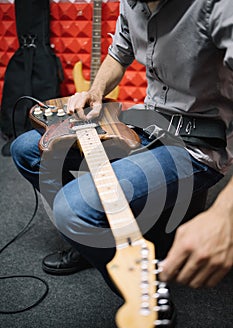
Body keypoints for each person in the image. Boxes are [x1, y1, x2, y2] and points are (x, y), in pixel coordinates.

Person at [10, 0, 233, 292]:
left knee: (73, 209)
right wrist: (96, 91)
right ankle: (92, 240)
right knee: (26, 149)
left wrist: (224, 214)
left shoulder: (218, 5)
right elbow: (118, 54)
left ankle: (146, 303)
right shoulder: (132, 4)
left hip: (196, 144)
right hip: (147, 123)